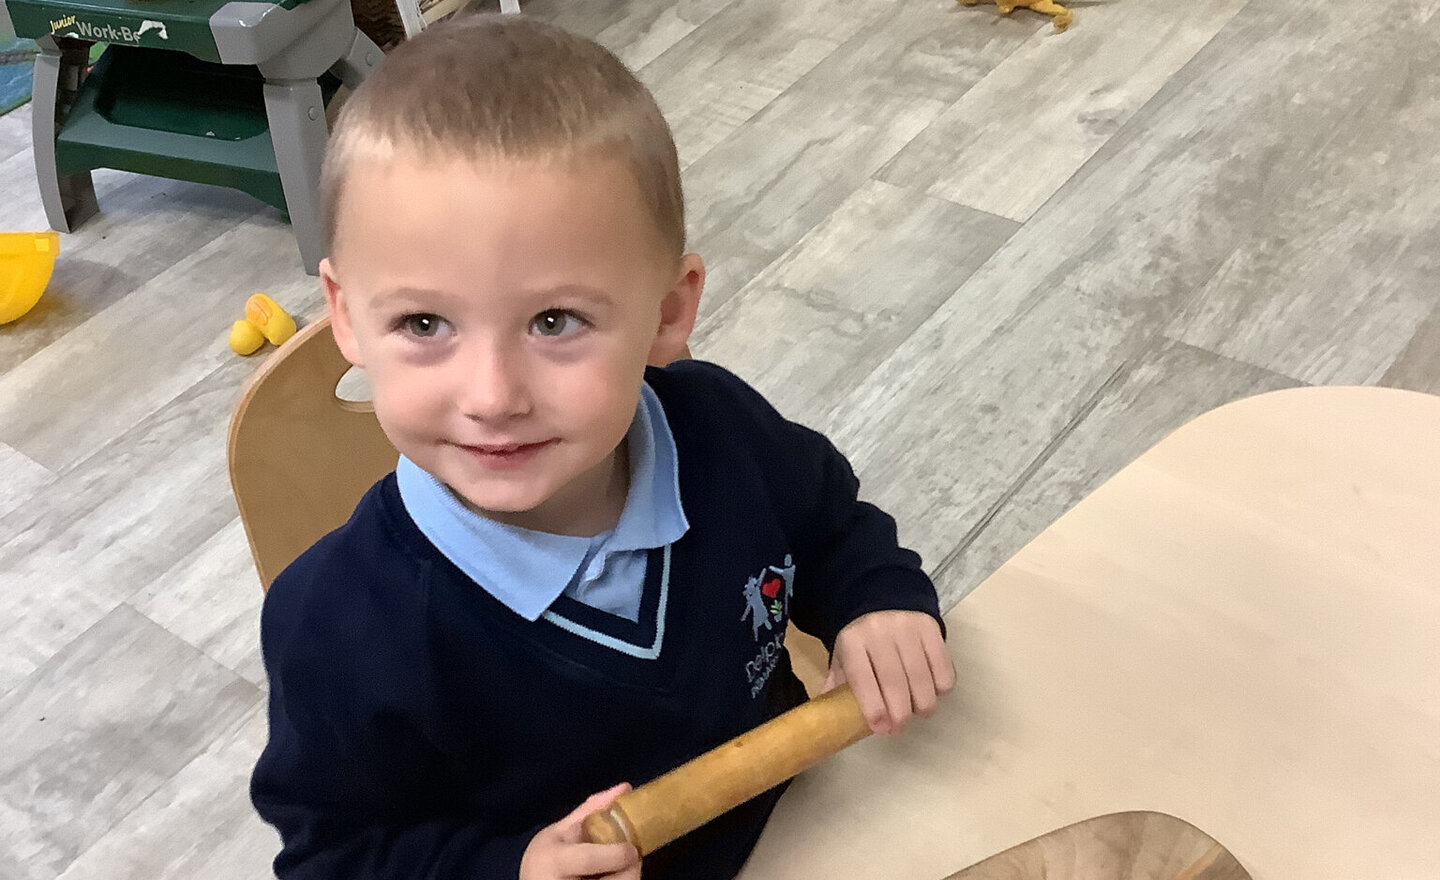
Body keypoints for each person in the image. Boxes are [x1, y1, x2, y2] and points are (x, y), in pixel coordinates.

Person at [250, 14, 954, 880]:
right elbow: (338, 859)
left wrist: (875, 600)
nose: (493, 397)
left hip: (814, 828)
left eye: (555, 321)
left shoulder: (719, 428)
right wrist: (508, 870)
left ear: (667, 311)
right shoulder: (338, 628)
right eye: (424, 322)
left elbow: (829, 523)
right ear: (347, 317)